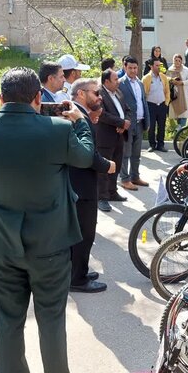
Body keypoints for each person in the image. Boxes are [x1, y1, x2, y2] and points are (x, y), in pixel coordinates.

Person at [0, 67, 93, 373]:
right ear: (38, 98)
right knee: (50, 318)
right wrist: (80, 121)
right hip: (49, 242)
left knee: (8, 320)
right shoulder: (59, 129)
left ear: (1, 98)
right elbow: (84, 158)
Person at [68, 78, 113, 294]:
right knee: (84, 234)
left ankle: (78, 272)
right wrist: (108, 166)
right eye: (96, 92)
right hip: (81, 185)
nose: (99, 97)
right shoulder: (77, 116)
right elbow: (87, 155)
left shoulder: (80, 114)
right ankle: (77, 278)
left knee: (82, 233)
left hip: (80, 183)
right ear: (81, 94)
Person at [97, 68, 131, 212]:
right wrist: (121, 123)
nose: (118, 82)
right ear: (106, 81)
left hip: (119, 135)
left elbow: (128, 110)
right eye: (115, 79)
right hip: (105, 137)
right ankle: (102, 198)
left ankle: (112, 192)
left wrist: (125, 123)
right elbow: (101, 114)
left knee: (116, 166)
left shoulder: (118, 92)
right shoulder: (99, 94)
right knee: (105, 168)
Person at [118, 57, 150, 192]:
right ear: (125, 68)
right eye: (130, 68)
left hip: (140, 123)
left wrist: (147, 120)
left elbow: (143, 102)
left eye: (135, 68)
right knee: (125, 153)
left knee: (136, 153)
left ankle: (135, 176)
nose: (133, 70)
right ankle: (124, 179)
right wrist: (121, 122)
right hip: (127, 124)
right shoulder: (120, 83)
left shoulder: (140, 83)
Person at [143, 59, 171, 153]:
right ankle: (152, 144)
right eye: (156, 65)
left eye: (159, 65)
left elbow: (167, 91)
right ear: (151, 66)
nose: (159, 67)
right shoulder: (146, 78)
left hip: (162, 105)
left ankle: (161, 144)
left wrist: (166, 103)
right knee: (151, 126)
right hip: (151, 105)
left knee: (162, 126)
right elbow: (144, 94)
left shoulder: (163, 77)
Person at [166, 53, 188, 127]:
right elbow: (167, 79)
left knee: (183, 112)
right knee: (175, 112)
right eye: (176, 60)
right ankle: (177, 127)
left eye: (179, 60)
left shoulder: (185, 69)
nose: (177, 62)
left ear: (181, 61)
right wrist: (172, 81)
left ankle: (181, 128)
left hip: (183, 94)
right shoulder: (170, 69)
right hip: (174, 94)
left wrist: (182, 82)